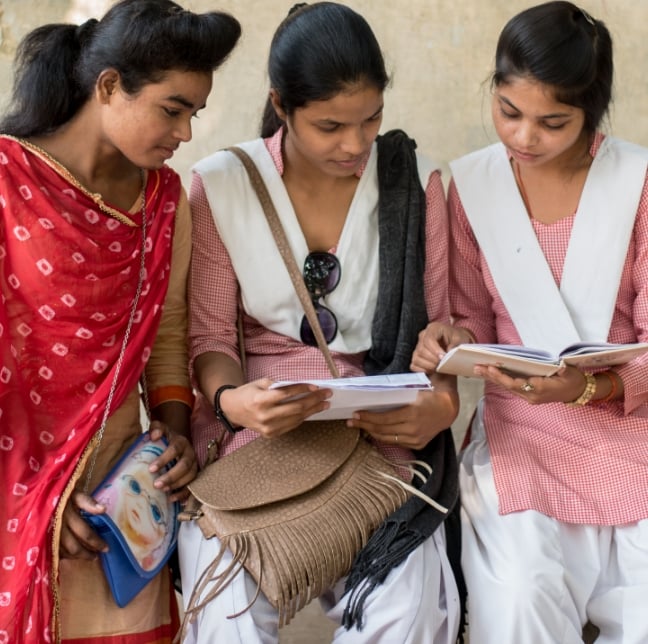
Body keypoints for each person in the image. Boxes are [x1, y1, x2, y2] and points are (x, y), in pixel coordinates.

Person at [178, 3, 463, 643]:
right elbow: (212, 340)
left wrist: (440, 407)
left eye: (372, 120)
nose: (356, 144)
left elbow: (440, 333)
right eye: (331, 125)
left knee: (408, 606)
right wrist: (232, 401)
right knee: (222, 602)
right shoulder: (221, 185)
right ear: (282, 106)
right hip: (259, 435)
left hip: (379, 435)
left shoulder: (414, 187)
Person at [0, 1, 240, 642]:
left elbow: (167, 333)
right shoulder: (7, 180)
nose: (186, 133)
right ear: (109, 87)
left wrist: (172, 434)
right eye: (172, 108)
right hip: (13, 494)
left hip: (121, 505)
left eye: (195, 113)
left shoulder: (165, 202)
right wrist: (39, 504)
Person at [411, 2, 648, 642]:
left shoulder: (639, 182)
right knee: (518, 598)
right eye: (509, 112)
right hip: (520, 428)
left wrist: (588, 388)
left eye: (553, 122)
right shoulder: (471, 187)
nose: (523, 137)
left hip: (631, 427)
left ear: (590, 112)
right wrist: (451, 339)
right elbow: (465, 316)